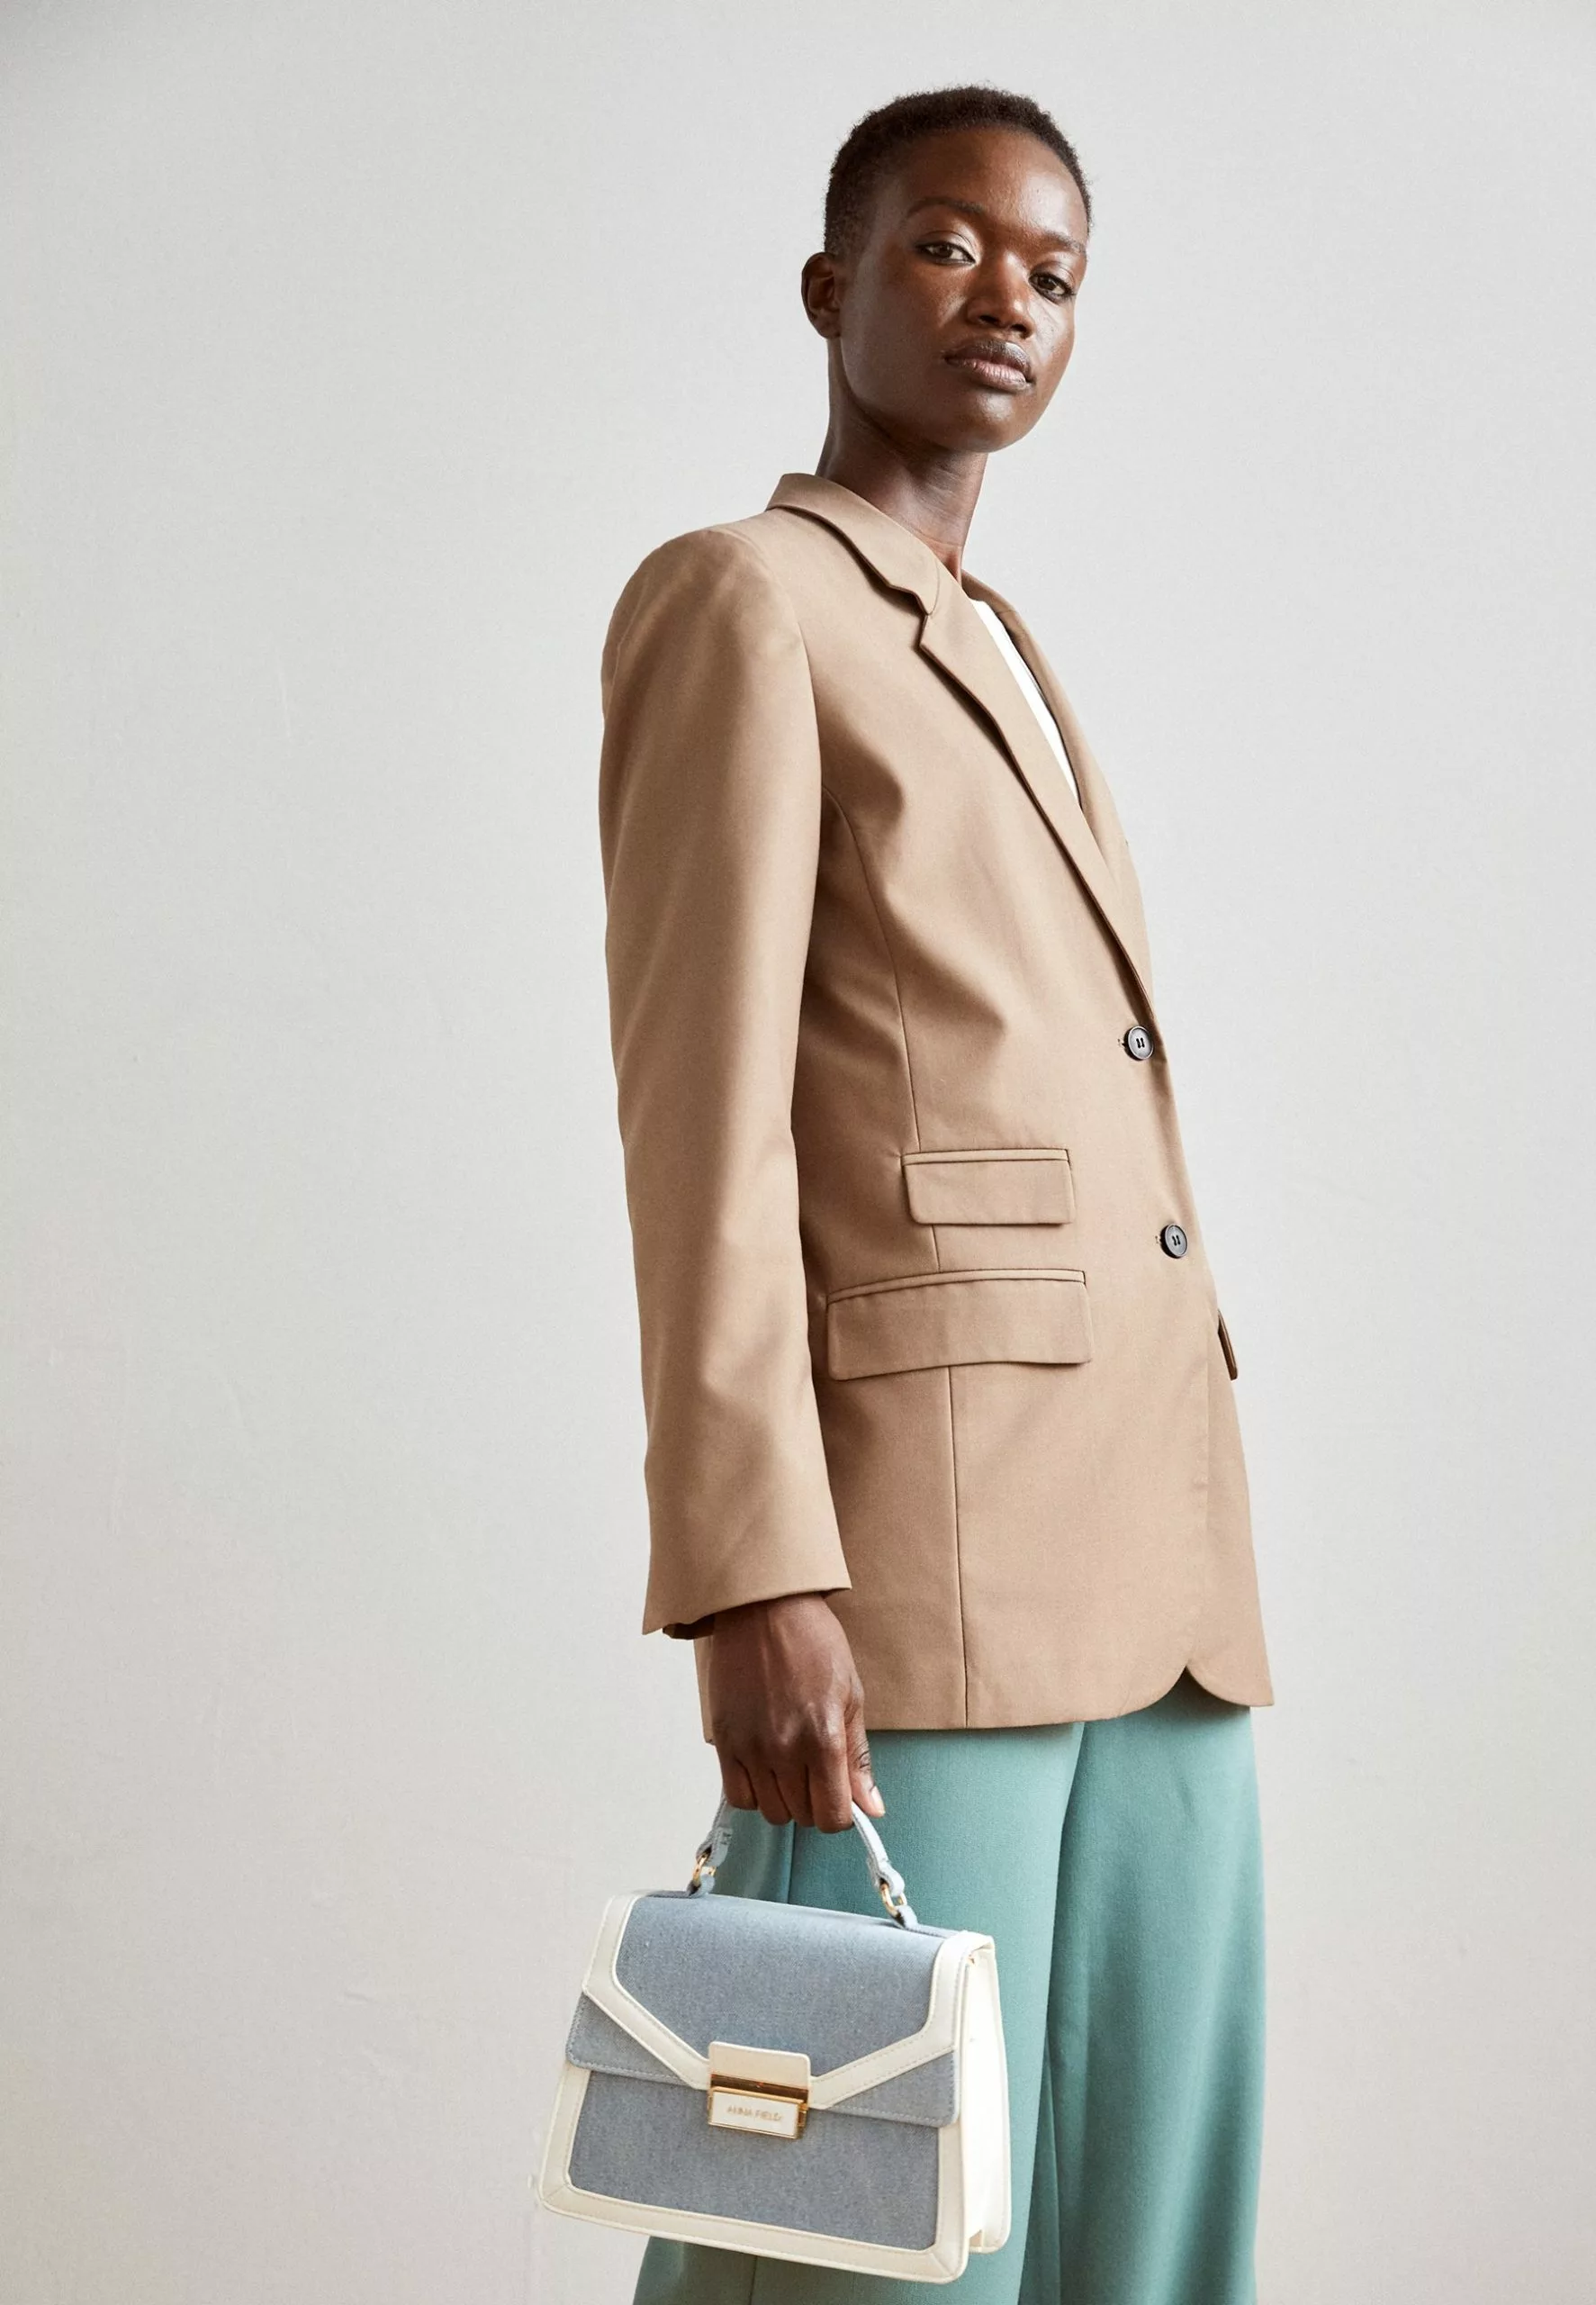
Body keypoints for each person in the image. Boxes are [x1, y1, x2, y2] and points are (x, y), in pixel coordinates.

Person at [597, 85, 1274, 2305]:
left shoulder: (1001, 643)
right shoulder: (744, 602)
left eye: (1053, 274)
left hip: (1161, 1578)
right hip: (915, 1573)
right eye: (947, 245)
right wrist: (750, 1573)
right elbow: (699, 1121)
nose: (1006, 300)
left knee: (1145, 2217)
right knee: (861, 2231)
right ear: (831, 283)